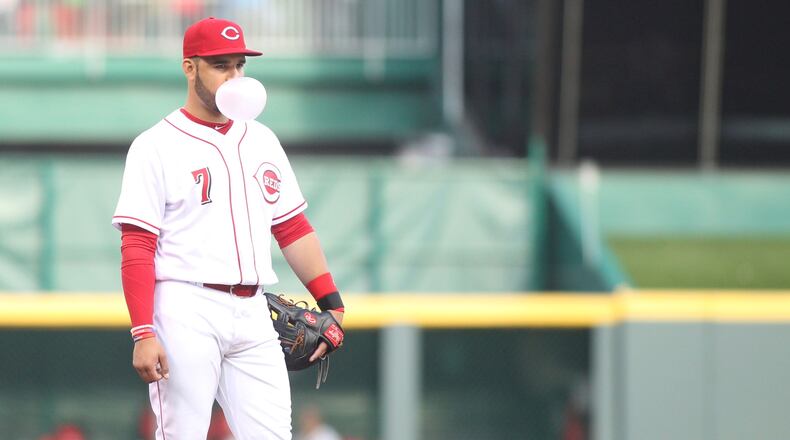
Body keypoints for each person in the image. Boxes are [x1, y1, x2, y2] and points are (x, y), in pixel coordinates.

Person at [112, 17, 345, 439]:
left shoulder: (262, 140)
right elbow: (138, 246)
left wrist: (332, 302)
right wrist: (143, 331)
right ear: (190, 67)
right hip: (186, 306)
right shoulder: (155, 146)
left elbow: (292, 227)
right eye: (221, 65)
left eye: (240, 65)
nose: (235, 76)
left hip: (255, 310)